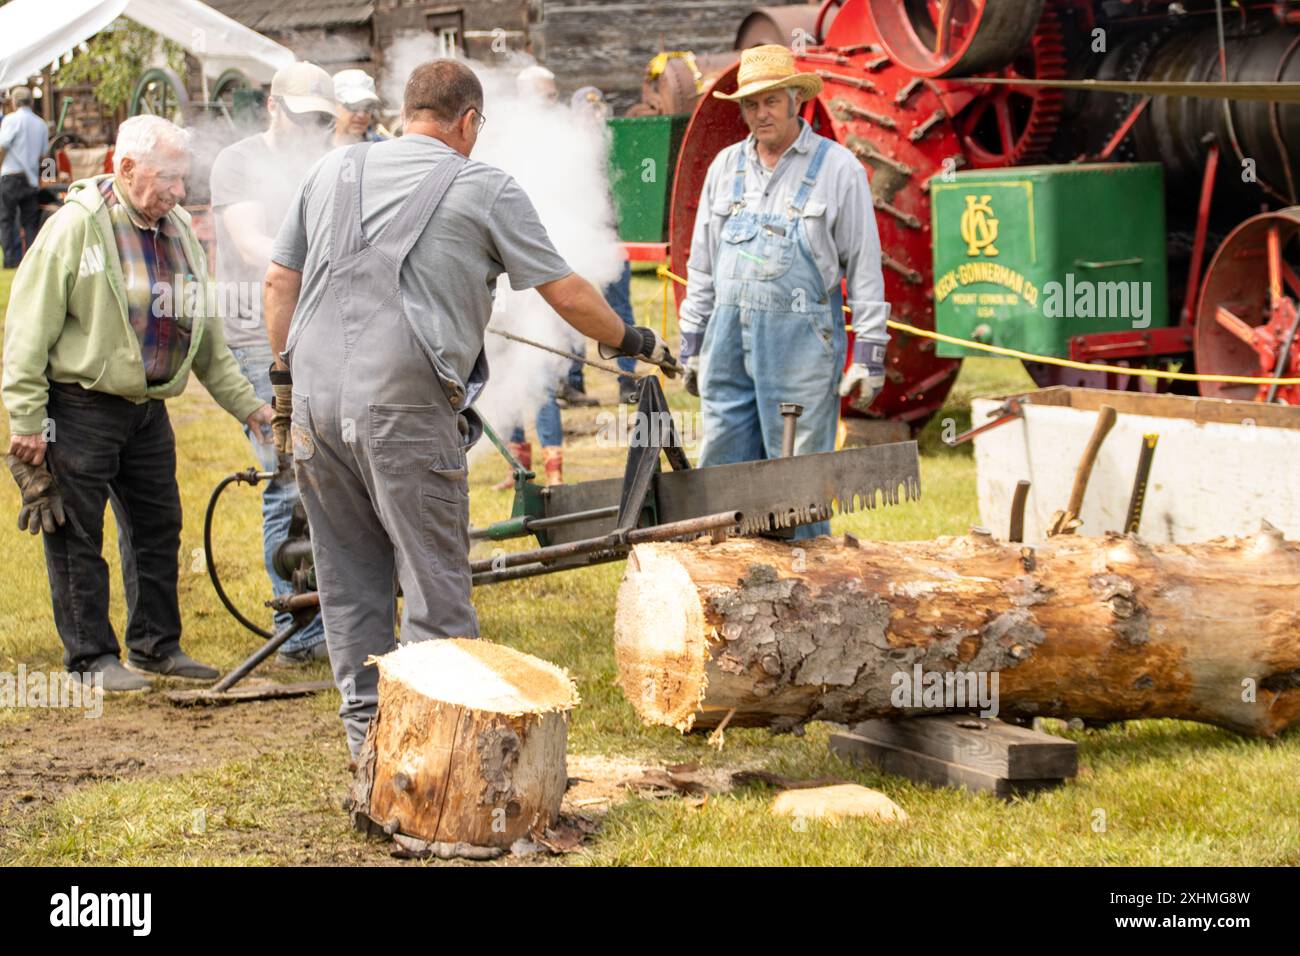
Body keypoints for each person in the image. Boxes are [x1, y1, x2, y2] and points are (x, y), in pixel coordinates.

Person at [262, 59, 677, 756]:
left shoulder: (333, 170)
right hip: (402, 407)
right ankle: (431, 761)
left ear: (405, 112)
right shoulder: (483, 185)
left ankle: (369, 748)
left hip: (313, 405)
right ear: (466, 122)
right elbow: (568, 293)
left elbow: (279, 282)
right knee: (435, 587)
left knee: (348, 580)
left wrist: (284, 378)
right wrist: (633, 340)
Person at [2, 115, 272, 691]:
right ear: (125, 169)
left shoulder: (176, 229)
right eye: (169, 177)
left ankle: (155, 646)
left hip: (148, 411)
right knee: (77, 533)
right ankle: (91, 660)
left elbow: (206, 340)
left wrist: (251, 407)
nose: (180, 191)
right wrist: (27, 423)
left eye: (183, 177)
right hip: (80, 409)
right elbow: (26, 330)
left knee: (158, 526)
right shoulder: (75, 229)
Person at [678, 44, 891, 539]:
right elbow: (702, 266)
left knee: (799, 484)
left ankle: (807, 591)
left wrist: (870, 354)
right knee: (723, 471)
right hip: (726, 348)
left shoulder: (839, 170)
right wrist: (692, 345)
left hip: (801, 350)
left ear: (797, 98)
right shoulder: (723, 168)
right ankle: (729, 588)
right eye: (750, 105)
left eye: (771, 101)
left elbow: (864, 266)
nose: (760, 114)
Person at [209, 61, 336, 663]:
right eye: (304, 116)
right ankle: (300, 632)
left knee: (327, 478)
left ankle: (330, 614)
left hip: (318, 334)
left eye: (321, 120)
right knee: (285, 483)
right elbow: (251, 244)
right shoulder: (239, 163)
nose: (312, 128)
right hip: (259, 338)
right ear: (273, 108)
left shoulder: (323, 164)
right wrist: (320, 267)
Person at [0, 87, 50, 268]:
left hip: (10, 177)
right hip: (30, 179)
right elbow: (45, 157)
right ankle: (30, 260)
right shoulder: (41, 124)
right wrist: (47, 178)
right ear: (31, 102)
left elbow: (2, 146)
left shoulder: (10, 120)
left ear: (14, 102)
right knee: (30, 222)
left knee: (6, 220)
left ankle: (11, 260)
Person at [332, 69, 386, 146]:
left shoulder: (381, 147)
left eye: (368, 106)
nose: (361, 115)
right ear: (334, 106)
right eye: (354, 106)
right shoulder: (315, 144)